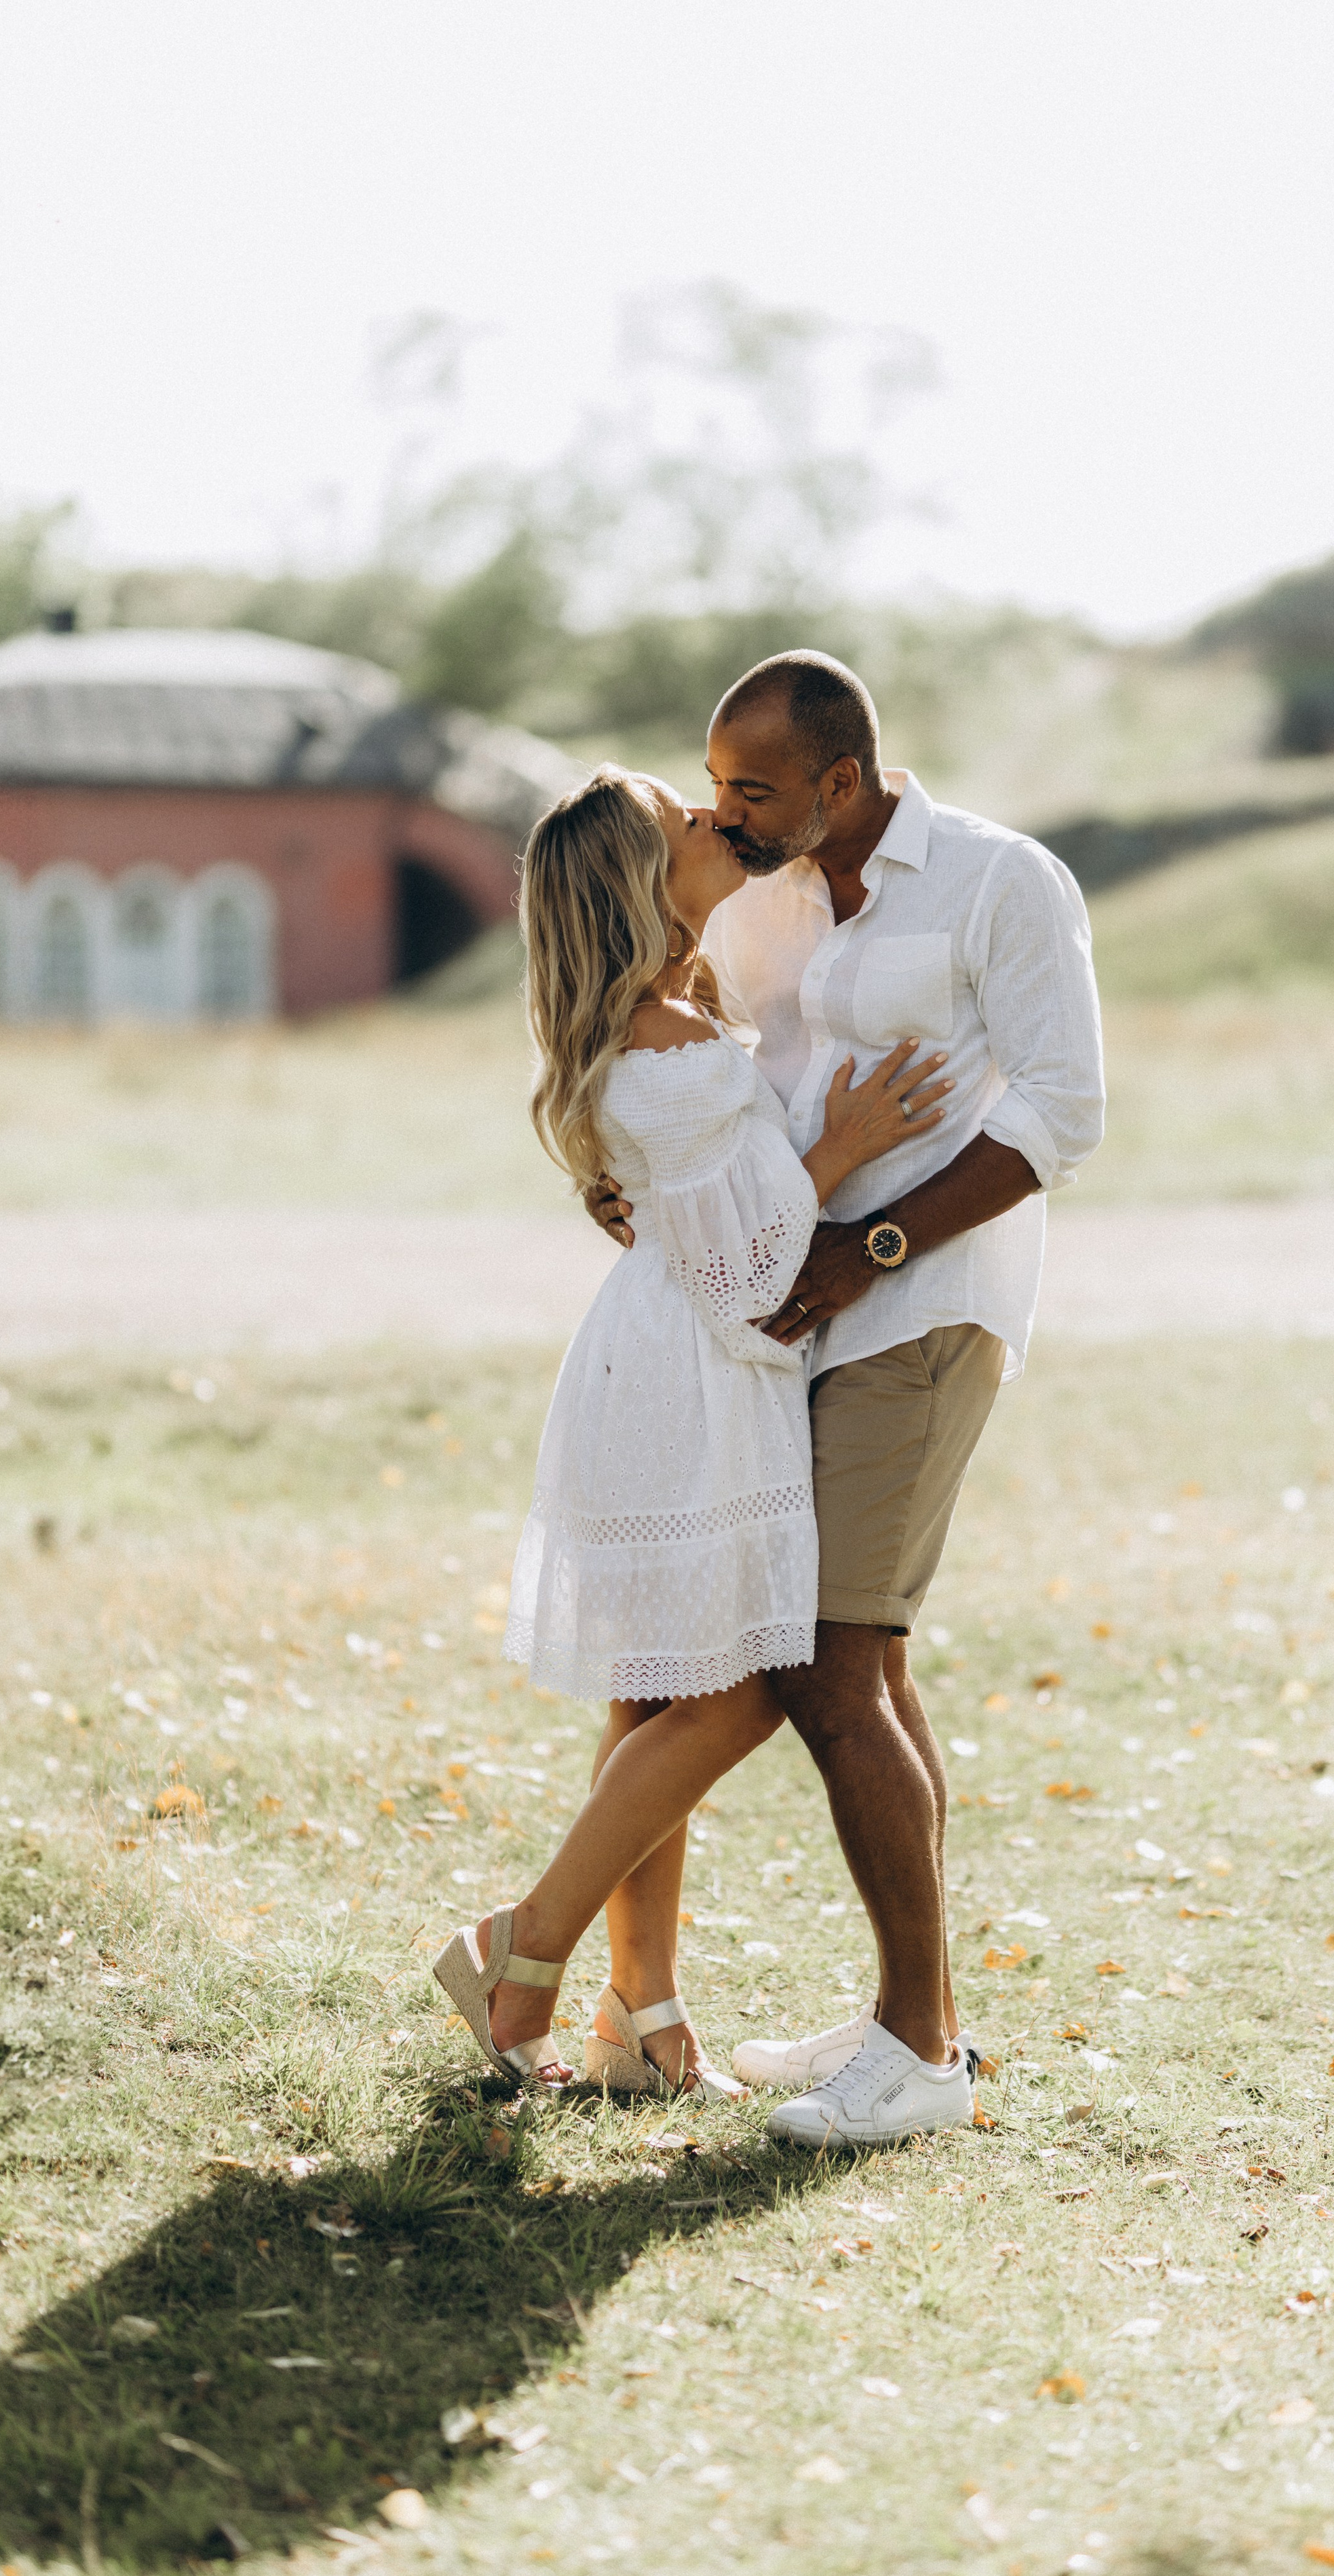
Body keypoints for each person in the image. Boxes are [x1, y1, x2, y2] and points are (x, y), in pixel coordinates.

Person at [587, 651, 1103, 2148]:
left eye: (751, 785)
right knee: (865, 1663)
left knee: (827, 1661)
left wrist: (864, 1244)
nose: (718, 808)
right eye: (711, 778)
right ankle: (909, 2013)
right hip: (782, 1314)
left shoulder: (1002, 883)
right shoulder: (758, 891)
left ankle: (918, 2050)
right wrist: (648, 1189)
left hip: (925, 1305)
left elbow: (1060, 1112)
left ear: (841, 779)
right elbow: (721, 1077)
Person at [432, 765, 952, 2105]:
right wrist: (835, 1154)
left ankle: (640, 2019)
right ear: (638, 882)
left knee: (657, 1689)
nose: (714, 824)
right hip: (690, 1374)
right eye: (685, 824)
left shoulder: (673, 1013)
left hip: (672, 1364)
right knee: (742, 1687)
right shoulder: (660, 1038)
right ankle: (521, 1945)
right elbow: (748, 1276)